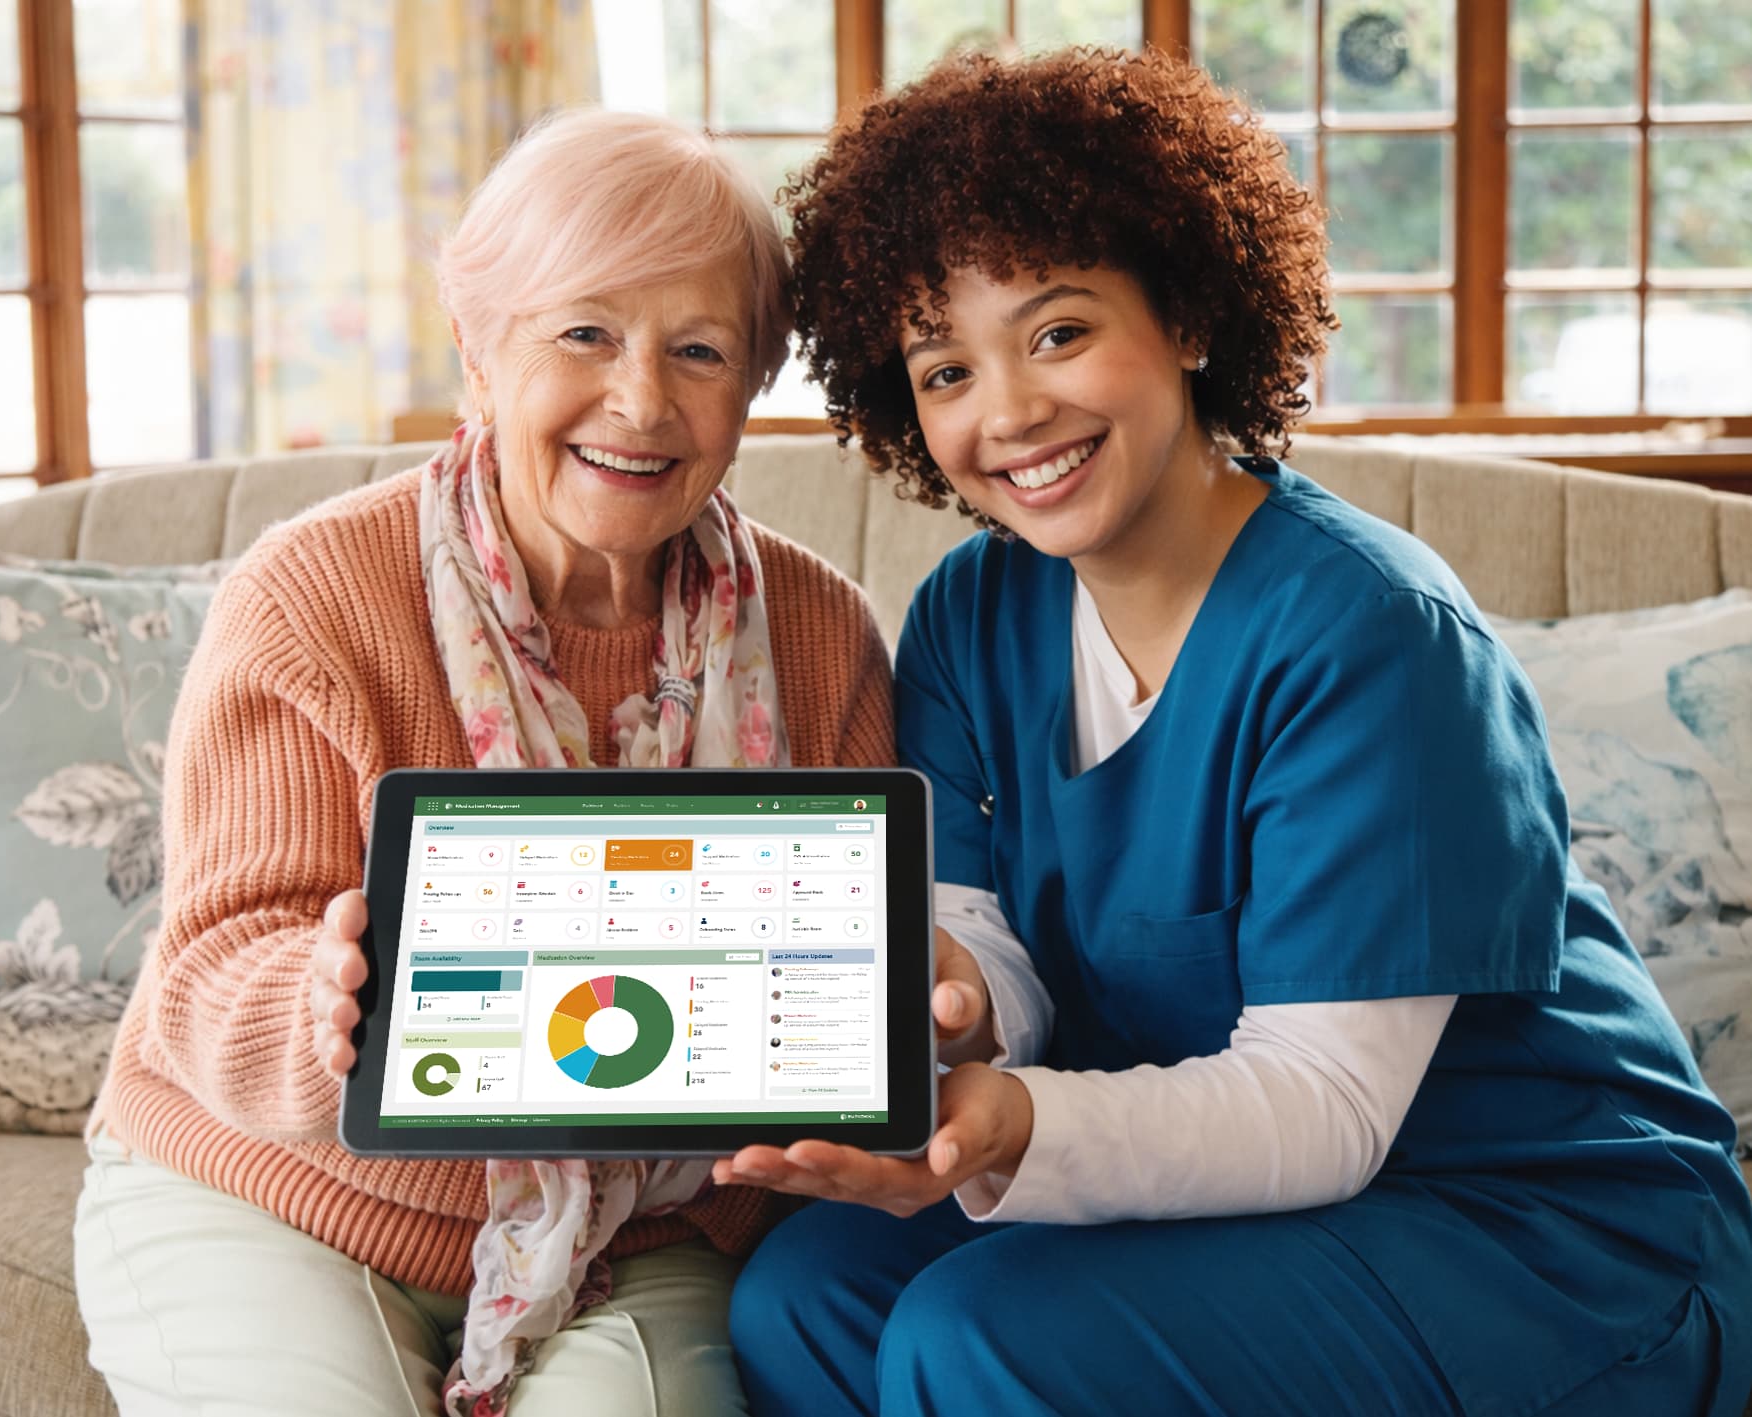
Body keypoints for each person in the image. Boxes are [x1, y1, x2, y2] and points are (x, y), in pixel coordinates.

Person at [718, 47, 1752, 1417]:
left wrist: (1016, 1122)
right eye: (942, 366)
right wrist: (948, 997)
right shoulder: (970, 615)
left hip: (1528, 1223)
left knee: (988, 1330)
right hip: (1231, 1187)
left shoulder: (1368, 630)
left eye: (1059, 331)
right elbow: (999, 961)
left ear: (1190, 316)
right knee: (805, 1294)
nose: (1008, 412)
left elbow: (1324, 1104)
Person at [72, 108, 893, 1417]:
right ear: (477, 347)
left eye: (698, 350)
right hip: (273, 1186)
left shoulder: (817, 633)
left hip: (642, 1225)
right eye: (583, 333)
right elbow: (217, 956)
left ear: (749, 392)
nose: (640, 399)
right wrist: (317, 1002)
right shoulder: (312, 594)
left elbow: (843, 999)